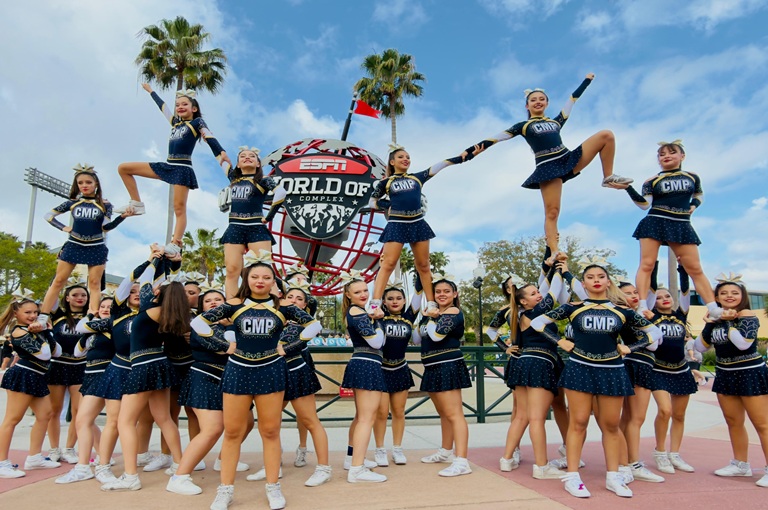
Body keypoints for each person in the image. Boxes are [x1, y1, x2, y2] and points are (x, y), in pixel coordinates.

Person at [191, 250, 320, 510]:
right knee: (232, 433)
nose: (260, 281)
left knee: (270, 431)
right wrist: (223, 346)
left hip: (271, 370)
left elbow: (313, 326)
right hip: (238, 370)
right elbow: (198, 323)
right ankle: (225, 490)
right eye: (255, 277)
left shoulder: (283, 307)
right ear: (247, 279)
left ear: (274, 281)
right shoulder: (233, 305)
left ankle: (273, 487)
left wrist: (288, 348)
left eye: (266, 277)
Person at [459, 74, 632, 255]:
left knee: (606, 135)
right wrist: (469, 151)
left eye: (542, 99)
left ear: (547, 103)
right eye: (533, 100)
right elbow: (495, 138)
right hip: (548, 168)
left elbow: (572, 99)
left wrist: (587, 81)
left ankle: (607, 177)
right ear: (527, 106)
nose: (538, 102)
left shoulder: (556, 121)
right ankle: (554, 251)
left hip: (567, 158)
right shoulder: (523, 126)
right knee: (552, 212)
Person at [530, 264, 662, 498]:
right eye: (590, 277)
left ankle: (613, 476)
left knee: (611, 425)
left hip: (612, 370)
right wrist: (560, 341)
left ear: (608, 281)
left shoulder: (622, 311)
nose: (596, 280)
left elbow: (655, 333)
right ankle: (572, 477)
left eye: (601, 276)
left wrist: (631, 348)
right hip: (580, 368)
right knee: (578, 422)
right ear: (583, 284)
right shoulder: (572, 307)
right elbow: (537, 323)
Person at [101, 246, 185, 491]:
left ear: (159, 293)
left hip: (143, 366)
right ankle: (180, 465)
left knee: (125, 422)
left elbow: (146, 279)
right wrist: (168, 263)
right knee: (165, 418)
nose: (149, 289)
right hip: (160, 364)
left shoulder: (149, 308)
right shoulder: (171, 312)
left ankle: (130, 476)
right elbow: (160, 283)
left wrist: (154, 259)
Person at [115, 84, 232, 255]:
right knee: (124, 168)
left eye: (184, 104)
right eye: (178, 105)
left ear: (194, 108)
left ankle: (175, 243)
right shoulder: (175, 123)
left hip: (182, 169)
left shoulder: (197, 123)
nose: (180, 107)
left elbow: (209, 136)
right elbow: (163, 107)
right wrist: (151, 91)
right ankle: (137, 203)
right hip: (168, 165)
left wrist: (221, 152)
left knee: (179, 208)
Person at [620, 140, 723, 320]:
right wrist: (628, 188)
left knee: (695, 268)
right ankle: (642, 306)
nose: (666, 156)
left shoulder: (692, 177)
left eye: (672, 152)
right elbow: (644, 205)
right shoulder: (652, 180)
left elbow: (699, 194)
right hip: (655, 221)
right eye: (661, 154)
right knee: (647, 264)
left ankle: (713, 307)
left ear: (682, 156)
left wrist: (694, 205)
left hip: (681, 223)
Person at [367, 145, 473, 320]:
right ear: (392, 162)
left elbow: (441, 165)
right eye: (401, 157)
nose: (406, 159)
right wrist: (387, 205)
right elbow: (372, 201)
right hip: (397, 223)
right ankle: (375, 304)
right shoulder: (385, 183)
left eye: (408, 157)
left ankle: (431, 304)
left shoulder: (417, 178)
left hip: (417, 223)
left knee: (423, 265)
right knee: (388, 264)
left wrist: (461, 157)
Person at [167, 285, 254, 495]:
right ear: (202, 307)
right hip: (204, 377)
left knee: (247, 422)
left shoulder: (238, 323)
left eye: (218, 299)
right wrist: (231, 327)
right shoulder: (199, 326)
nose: (213, 302)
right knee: (213, 428)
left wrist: (233, 324)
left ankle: (223, 459)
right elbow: (228, 348)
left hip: (231, 380)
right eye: (208, 300)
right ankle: (179, 477)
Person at [79, 256, 158, 483]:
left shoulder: (151, 314)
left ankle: (136, 463)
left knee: (136, 420)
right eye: (132, 291)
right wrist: (148, 261)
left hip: (142, 370)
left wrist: (159, 263)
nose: (136, 293)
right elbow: (125, 284)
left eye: (139, 291)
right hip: (119, 369)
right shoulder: (117, 315)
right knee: (114, 420)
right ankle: (103, 466)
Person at [694, 274, 768, 487]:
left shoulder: (746, 315)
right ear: (716, 297)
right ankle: (740, 464)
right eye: (723, 293)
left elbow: (743, 344)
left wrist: (726, 322)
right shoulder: (717, 320)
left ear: (742, 296)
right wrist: (710, 324)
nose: (729, 296)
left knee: (762, 423)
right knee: (733, 421)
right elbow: (700, 348)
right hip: (725, 373)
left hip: (749, 372)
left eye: (735, 292)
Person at [38, 164, 132, 321]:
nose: (84, 186)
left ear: (96, 184)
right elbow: (48, 215)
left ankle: (92, 317)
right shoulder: (72, 203)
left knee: (94, 283)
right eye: (80, 183)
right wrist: (63, 228)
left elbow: (106, 227)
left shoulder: (105, 205)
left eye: (88, 182)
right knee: (58, 281)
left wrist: (122, 217)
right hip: (74, 244)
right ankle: (43, 316)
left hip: (96, 246)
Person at [504, 260, 570, 480]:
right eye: (533, 294)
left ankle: (506, 459)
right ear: (524, 301)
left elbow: (547, 290)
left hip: (523, 364)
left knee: (521, 416)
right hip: (540, 363)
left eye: (537, 292)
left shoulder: (519, 315)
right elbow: (553, 291)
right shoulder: (535, 312)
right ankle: (541, 466)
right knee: (536, 418)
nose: (539, 295)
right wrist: (559, 269)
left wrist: (550, 267)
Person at [417, 274, 473, 477]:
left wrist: (432, 318)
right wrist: (426, 316)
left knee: (454, 414)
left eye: (446, 291)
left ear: (455, 294)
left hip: (447, 365)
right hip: (432, 366)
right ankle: (446, 451)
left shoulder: (453, 311)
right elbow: (418, 337)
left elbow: (436, 335)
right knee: (444, 413)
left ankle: (462, 461)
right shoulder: (433, 312)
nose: (442, 294)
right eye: (438, 291)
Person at [0, 292, 61, 478]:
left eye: (35, 312)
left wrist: (47, 331)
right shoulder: (19, 332)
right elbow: (44, 354)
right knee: (12, 419)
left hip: (38, 376)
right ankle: (2, 462)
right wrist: (40, 332)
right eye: (28, 312)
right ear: (16, 313)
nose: (33, 316)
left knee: (45, 414)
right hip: (23, 375)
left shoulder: (35, 329)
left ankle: (34, 458)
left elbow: (57, 352)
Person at [55, 295, 114, 483]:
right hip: (91, 376)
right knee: (82, 420)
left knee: (114, 422)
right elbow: (78, 352)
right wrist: (90, 329)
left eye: (110, 306)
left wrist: (91, 323)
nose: (105, 309)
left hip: (112, 375)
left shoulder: (116, 326)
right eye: (102, 306)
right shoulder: (91, 330)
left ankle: (104, 465)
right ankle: (83, 467)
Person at [339, 271, 388, 483]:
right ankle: (357, 469)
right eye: (357, 292)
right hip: (367, 364)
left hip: (364, 363)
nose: (363, 294)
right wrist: (379, 321)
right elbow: (377, 342)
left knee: (361, 417)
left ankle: (352, 459)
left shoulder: (358, 311)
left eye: (365, 290)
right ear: (348, 294)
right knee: (367, 419)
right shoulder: (357, 311)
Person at [649, 265, 698, 475]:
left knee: (679, 415)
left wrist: (683, 271)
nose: (664, 299)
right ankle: (660, 452)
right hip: (658, 370)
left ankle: (675, 454)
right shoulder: (650, 316)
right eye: (659, 297)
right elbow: (650, 289)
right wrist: (652, 266)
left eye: (667, 296)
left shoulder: (681, 316)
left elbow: (685, 293)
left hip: (681, 369)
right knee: (665, 411)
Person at [221, 146, 286, 298]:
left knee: (265, 270)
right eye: (242, 156)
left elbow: (281, 192)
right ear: (238, 164)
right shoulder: (234, 178)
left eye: (252, 156)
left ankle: (273, 308)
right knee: (231, 270)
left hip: (256, 227)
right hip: (235, 227)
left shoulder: (263, 180)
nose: (247, 157)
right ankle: (231, 306)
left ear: (258, 163)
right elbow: (221, 159)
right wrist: (206, 135)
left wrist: (269, 216)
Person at [616, 280, 663, 483]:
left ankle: (624, 462)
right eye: (628, 293)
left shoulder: (637, 315)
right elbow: (653, 346)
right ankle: (632, 463)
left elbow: (657, 343)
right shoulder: (628, 316)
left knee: (628, 418)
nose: (634, 296)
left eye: (635, 292)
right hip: (636, 364)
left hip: (640, 365)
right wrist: (649, 325)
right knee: (635, 418)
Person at [372, 277, 422, 467]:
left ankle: (398, 449)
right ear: (383, 301)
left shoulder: (409, 317)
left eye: (399, 298)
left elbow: (418, 294)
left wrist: (422, 270)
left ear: (404, 300)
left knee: (399, 412)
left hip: (400, 368)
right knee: (381, 413)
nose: (394, 301)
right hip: (381, 369)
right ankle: (380, 449)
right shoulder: (377, 315)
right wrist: (383, 271)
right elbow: (375, 295)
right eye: (390, 298)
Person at [46, 283, 90, 464]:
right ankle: (54, 449)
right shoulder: (58, 315)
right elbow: (52, 292)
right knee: (54, 410)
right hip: (57, 366)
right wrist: (60, 278)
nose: (80, 298)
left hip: (80, 366)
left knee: (78, 411)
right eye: (75, 295)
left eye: (83, 295)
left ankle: (70, 449)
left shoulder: (89, 316)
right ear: (67, 298)